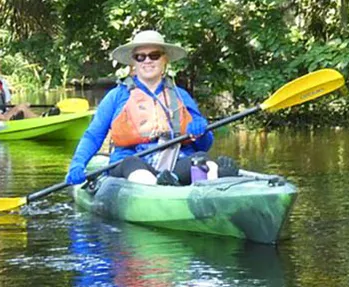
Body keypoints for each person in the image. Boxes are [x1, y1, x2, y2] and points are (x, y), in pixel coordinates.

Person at [64, 30, 229, 187]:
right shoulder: (117, 96)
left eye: (154, 55)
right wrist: (78, 163)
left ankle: (214, 180)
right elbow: (93, 136)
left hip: (174, 162)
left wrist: (202, 133)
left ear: (165, 60)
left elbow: (204, 144)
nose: (147, 61)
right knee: (131, 163)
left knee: (200, 158)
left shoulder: (180, 95)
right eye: (140, 57)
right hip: (131, 163)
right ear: (133, 63)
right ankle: (159, 186)